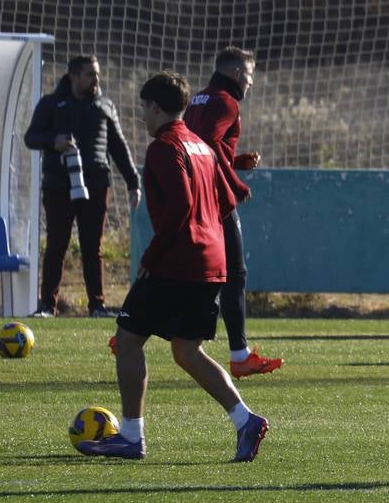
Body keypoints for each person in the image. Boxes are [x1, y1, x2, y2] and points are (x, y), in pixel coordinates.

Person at [76, 71, 269, 462]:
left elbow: (180, 207)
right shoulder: (201, 145)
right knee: (186, 350)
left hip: (178, 261)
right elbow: (228, 201)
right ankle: (245, 420)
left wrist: (152, 256)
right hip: (211, 262)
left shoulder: (164, 147)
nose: (143, 117)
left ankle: (131, 437)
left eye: (143, 109)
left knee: (129, 339)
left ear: (156, 107)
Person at [184, 46, 283, 379]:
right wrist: (235, 184)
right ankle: (240, 355)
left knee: (189, 273)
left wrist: (235, 163)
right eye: (250, 75)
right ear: (237, 73)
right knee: (235, 276)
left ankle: (128, 333)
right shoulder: (227, 102)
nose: (251, 83)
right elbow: (208, 148)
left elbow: (195, 145)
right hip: (216, 198)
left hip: (196, 194)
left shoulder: (198, 98)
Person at [23, 54, 140, 317]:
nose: (95, 79)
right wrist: (54, 140)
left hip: (97, 183)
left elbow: (118, 147)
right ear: (73, 77)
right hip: (58, 185)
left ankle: (97, 306)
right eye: (90, 74)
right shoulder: (51, 104)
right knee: (56, 246)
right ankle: (46, 307)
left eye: (97, 74)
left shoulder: (104, 106)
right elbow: (31, 137)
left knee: (92, 248)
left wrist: (133, 182)